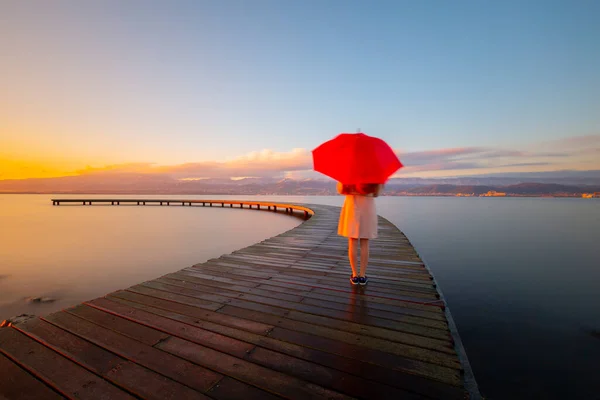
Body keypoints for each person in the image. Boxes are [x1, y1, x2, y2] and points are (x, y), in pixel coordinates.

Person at [337, 182, 383, 285]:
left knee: (352, 242)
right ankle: (362, 276)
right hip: (367, 206)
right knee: (365, 242)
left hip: (352, 205)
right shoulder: (373, 174)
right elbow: (376, 193)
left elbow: (341, 189)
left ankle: (354, 275)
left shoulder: (348, 173)